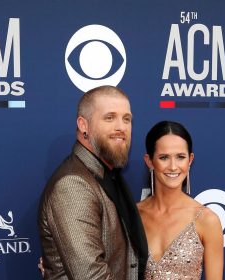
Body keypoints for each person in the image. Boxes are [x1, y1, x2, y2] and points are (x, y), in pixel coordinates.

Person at [38, 85, 148, 280]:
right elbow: (91, 276)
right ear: (83, 125)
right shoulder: (73, 185)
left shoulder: (109, 176)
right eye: (109, 117)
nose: (121, 127)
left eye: (127, 119)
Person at [137, 121, 224, 280]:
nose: (173, 166)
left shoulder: (207, 220)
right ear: (149, 161)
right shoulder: (133, 215)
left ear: (190, 160)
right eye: (164, 157)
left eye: (180, 157)